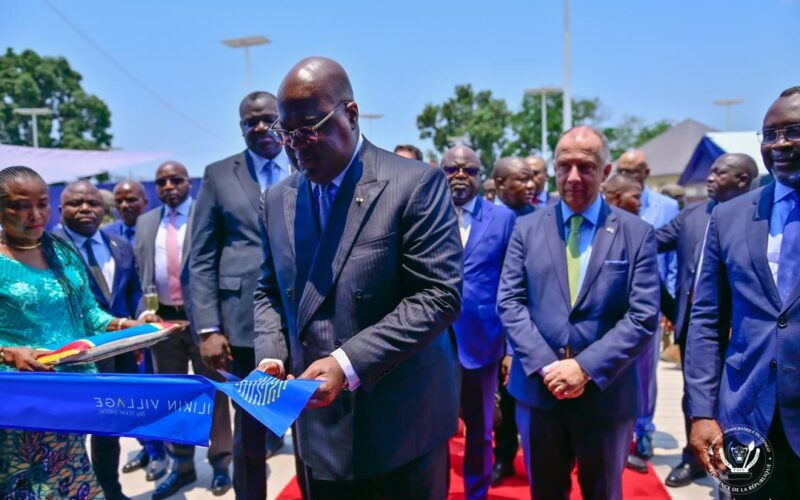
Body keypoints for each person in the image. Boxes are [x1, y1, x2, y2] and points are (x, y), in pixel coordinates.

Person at [254, 56, 462, 499]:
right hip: (318, 429)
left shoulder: (414, 183)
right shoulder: (276, 199)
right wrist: (271, 356)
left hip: (400, 425)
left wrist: (347, 363)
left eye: (309, 130)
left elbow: (437, 296)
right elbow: (269, 291)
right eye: (285, 134)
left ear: (350, 114)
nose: (296, 147)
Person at [497, 127, 659, 499]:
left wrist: (584, 368)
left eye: (585, 167)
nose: (572, 177)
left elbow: (643, 316)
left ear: (605, 172)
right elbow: (509, 302)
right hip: (539, 393)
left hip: (606, 396)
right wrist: (547, 366)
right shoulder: (526, 228)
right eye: (563, 166)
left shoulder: (636, 233)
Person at [0, 166, 143, 499]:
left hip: (69, 393)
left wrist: (123, 325)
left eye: (42, 204)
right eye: (21, 206)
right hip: (19, 402)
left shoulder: (61, 251)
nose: (35, 215)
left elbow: (87, 311)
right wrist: (8, 352)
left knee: (72, 484)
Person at [686, 87, 800, 498]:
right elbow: (707, 320)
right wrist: (701, 412)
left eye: (793, 131)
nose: (780, 144)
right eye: (770, 134)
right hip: (748, 420)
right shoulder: (729, 216)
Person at [189, 91, 291, 500]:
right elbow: (201, 257)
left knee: (315, 429)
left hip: (305, 318)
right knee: (250, 432)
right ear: (241, 127)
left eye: (268, 119)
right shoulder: (219, 175)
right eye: (251, 122)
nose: (261, 127)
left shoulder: (307, 162)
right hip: (243, 325)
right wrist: (208, 328)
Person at [55, 180, 165, 499]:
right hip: (73, 357)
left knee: (110, 427)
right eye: (76, 203)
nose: (86, 208)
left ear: (104, 208)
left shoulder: (119, 244)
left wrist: (143, 317)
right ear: (60, 210)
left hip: (120, 353)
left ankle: (110, 490)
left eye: (93, 203)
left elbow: (133, 293)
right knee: (72, 431)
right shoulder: (48, 248)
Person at [656, 153, 758, 489]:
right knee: (696, 394)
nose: (710, 178)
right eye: (710, 172)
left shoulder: (760, 216)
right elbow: (650, 243)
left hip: (746, 330)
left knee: (744, 398)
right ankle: (694, 459)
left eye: (719, 173)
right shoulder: (693, 215)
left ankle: (740, 463)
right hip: (696, 326)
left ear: (742, 179)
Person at [135, 161, 233, 499]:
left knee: (215, 395)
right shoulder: (147, 221)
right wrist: (144, 314)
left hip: (205, 324)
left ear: (188, 183)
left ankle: (221, 463)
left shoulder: (206, 214)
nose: (168, 186)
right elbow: (142, 273)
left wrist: (216, 324)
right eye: (161, 181)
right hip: (164, 324)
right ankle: (183, 465)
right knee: (173, 397)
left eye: (175, 180)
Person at [442, 145, 515, 499]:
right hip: (431, 341)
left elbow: (514, 284)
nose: (460, 175)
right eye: (452, 169)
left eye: (469, 170)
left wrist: (510, 348)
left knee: (481, 430)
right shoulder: (424, 212)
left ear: (480, 175)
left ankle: (476, 493)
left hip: (482, 341)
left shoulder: (503, 219)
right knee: (433, 429)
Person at [617, 149, 679, 465]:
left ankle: (643, 431)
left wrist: (670, 305)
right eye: (623, 169)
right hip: (613, 305)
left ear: (647, 172)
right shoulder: (608, 199)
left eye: (635, 170)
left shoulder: (667, 207)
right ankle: (619, 431)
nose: (629, 175)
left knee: (645, 373)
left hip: (651, 302)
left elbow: (671, 259)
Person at [105, 179, 149, 244]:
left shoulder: (158, 230)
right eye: (119, 201)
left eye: (130, 200)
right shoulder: (107, 233)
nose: (124, 205)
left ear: (145, 202)